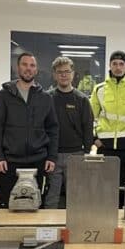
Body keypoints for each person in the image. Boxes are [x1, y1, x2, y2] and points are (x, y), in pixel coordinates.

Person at [0, 52, 59, 207]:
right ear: (18, 67)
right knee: (9, 205)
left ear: (36, 70)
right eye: (25, 64)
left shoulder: (45, 98)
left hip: (38, 161)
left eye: (32, 65)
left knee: (35, 205)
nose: (28, 68)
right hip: (9, 162)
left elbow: (53, 129)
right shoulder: (4, 96)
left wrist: (51, 157)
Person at [90, 51, 125, 203]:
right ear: (109, 66)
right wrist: (94, 139)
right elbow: (90, 117)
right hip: (105, 147)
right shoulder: (99, 89)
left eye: (121, 64)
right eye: (114, 64)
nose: (118, 67)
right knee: (105, 190)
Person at [45, 57, 94, 209]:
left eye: (67, 71)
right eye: (60, 72)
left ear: (73, 74)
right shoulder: (47, 98)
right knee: (52, 196)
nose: (63, 75)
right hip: (52, 156)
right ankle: (49, 224)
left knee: (76, 197)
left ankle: (75, 224)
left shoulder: (82, 99)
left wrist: (86, 152)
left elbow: (88, 127)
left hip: (76, 155)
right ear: (54, 75)